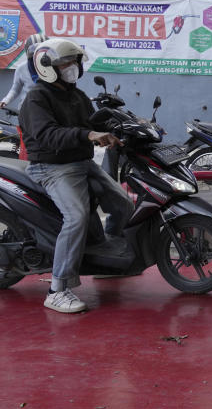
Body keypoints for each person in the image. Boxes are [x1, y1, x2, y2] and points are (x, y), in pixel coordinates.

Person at [19, 38, 134, 314]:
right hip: (52, 167)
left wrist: (129, 124)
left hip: (80, 162)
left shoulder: (76, 95)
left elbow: (93, 122)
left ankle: (104, 260)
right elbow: (48, 135)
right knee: (77, 217)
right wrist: (88, 135)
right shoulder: (37, 97)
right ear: (48, 68)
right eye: (66, 63)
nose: (73, 67)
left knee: (124, 204)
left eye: (75, 62)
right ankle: (57, 289)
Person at [1, 33, 47, 160]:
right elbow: (15, 89)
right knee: (27, 144)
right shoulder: (22, 68)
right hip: (26, 112)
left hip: (47, 111)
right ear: (28, 52)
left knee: (46, 142)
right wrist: (5, 101)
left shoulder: (51, 67)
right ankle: (24, 169)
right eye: (34, 51)